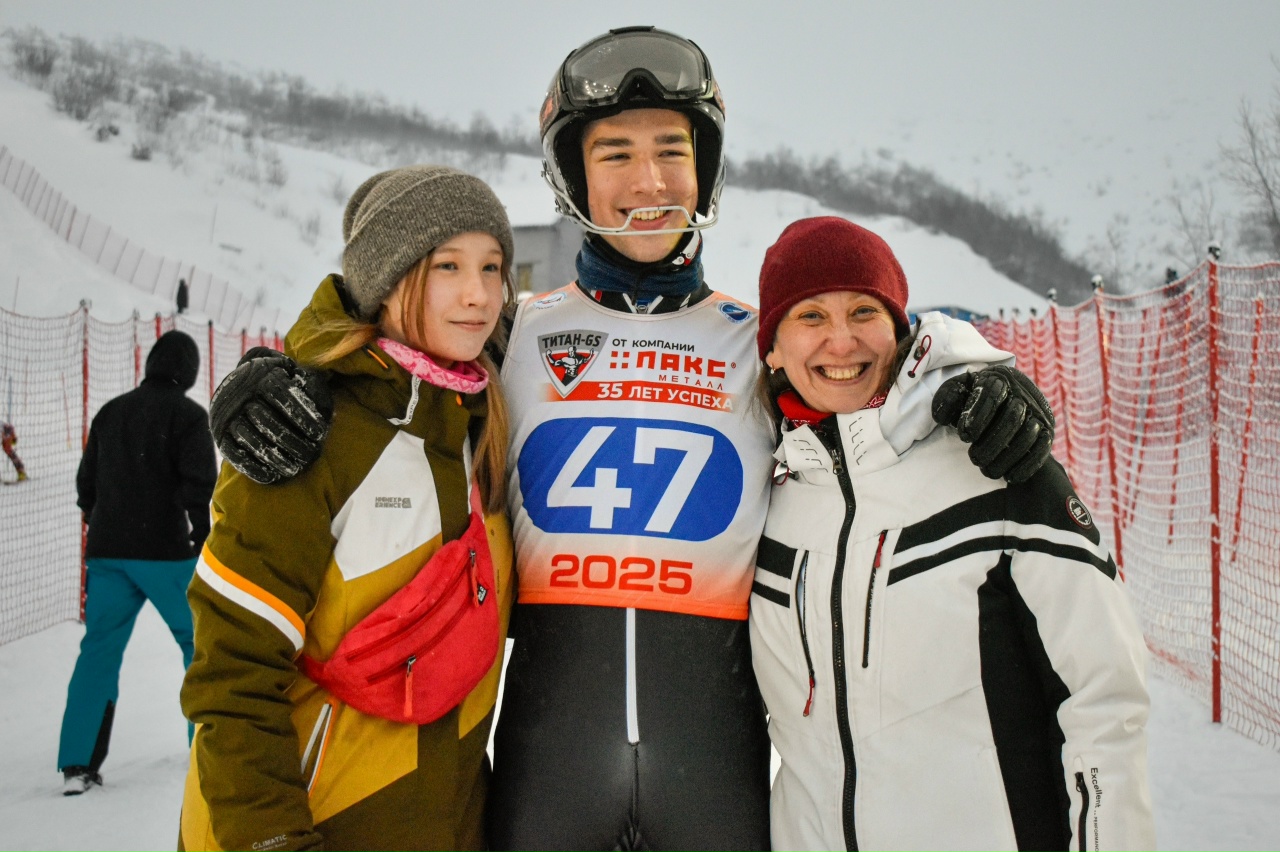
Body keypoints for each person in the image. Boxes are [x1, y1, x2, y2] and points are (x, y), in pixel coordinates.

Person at [204, 28, 1055, 851]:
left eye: (671, 151)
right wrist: (277, 374)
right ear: (572, 176)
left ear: (704, 169)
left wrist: (973, 376)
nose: (648, 178)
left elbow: (877, 369)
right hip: (550, 774)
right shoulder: (511, 336)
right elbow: (384, 354)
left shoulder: (758, 345)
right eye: (615, 154)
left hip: (712, 774)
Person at [749, 217, 1155, 852]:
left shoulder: (995, 463)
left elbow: (1106, 700)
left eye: (864, 311)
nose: (841, 340)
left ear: (900, 330)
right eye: (810, 316)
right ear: (771, 348)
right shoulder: (762, 499)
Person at [178, 165, 516, 852]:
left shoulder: (482, 425)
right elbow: (234, 676)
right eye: (447, 266)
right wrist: (272, 841)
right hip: (315, 824)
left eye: (492, 267)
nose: (478, 294)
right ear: (386, 279)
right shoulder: (305, 429)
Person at [59, 330, 217, 794]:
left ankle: (77, 764)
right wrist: (202, 537)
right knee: (200, 645)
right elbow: (199, 486)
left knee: (98, 651)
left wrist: (102, 521)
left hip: (108, 554)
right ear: (188, 371)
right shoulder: (188, 416)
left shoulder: (111, 412)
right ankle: (204, 750)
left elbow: (86, 484)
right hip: (165, 555)